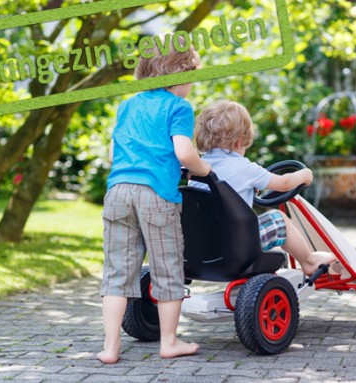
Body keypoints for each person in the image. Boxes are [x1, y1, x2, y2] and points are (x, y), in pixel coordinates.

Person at [98, 38, 211, 364]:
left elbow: (112, 152)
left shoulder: (128, 106)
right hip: (156, 195)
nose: (191, 85)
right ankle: (169, 341)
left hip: (118, 192)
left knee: (117, 273)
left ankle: (110, 347)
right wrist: (203, 168)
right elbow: (184, 153)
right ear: (179, 73)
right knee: (168, 269)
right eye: (192, 77)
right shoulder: (178, 107)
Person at [190, 100, 336, 276]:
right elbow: (284, 184)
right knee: (278, 218)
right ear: (240, 140)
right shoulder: (244, 167)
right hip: (237, 247)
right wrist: (303, 176)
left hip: (204, 247)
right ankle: (309, 260)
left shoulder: (198, 167)